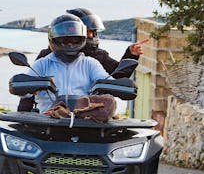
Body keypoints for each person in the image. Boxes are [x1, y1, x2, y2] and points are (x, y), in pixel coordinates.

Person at [18, 7, 146, 112]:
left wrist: (130, 56)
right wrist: (21, 118)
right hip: (47, 119)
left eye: (74, 38)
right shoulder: (44, 61)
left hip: (84, 117)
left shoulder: (93, 61)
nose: (70, 43)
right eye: (66, 38)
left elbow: (114, 78)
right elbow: (26, 90)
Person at [23, 14, 110, 114]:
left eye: (75, 40)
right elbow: (24, 93)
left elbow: (105, 80)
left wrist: (118, 86)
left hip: (83, 120)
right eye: (64, 40)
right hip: (47, 120)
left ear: (82, 38)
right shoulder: (42, 64)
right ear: (53, 39)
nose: (70, 44)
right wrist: (23, 86)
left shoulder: (90, 64)